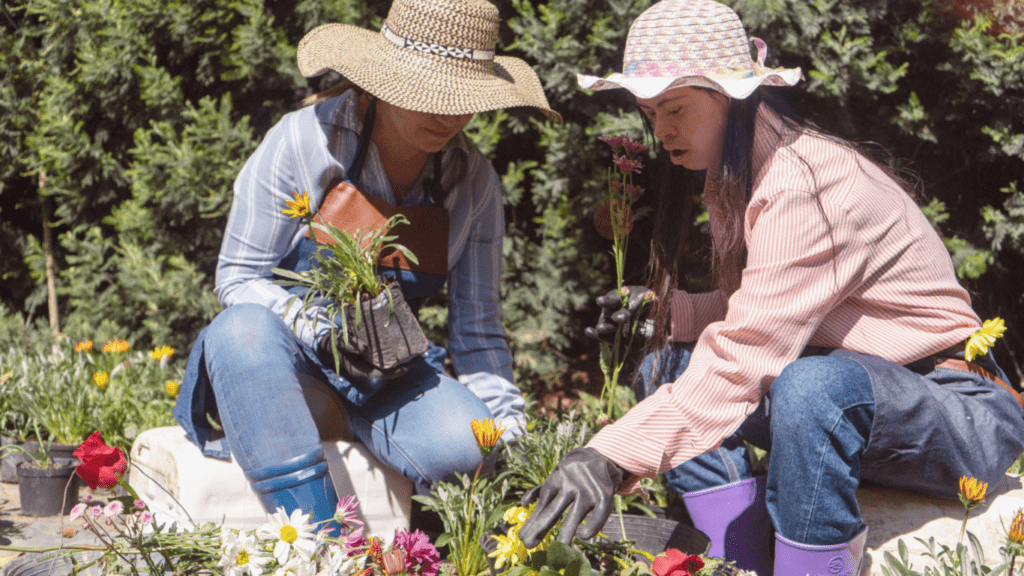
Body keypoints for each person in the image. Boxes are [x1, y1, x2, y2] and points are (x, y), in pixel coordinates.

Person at [517, 1, 1024, 575]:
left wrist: (609, 456)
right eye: (650, 111)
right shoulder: (743, 174)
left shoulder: (806, 184)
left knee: (810, 388)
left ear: (732, 96)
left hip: (958, 407)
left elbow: (747, 357)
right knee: (667, 367)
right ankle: (740, 560)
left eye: (675, 108)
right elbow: (757, 309)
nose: (661, 131)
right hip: (869, 398)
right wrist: (666, 314)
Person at [172, 0, 561, 532]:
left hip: (388, 374)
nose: (448, 115)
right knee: (238, 332)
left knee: (468, 444)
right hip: (277, 362)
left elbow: (479, 332)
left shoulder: (474, 183)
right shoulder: (302, 141)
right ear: (382, 81)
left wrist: (511, 436)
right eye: (429, 95)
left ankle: (364, 445)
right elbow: (238, 277)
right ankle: (319, 542)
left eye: (465, 99)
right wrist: (329, 335)